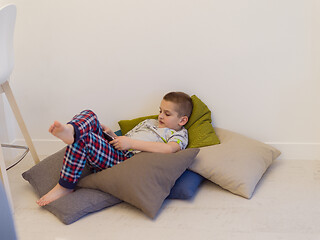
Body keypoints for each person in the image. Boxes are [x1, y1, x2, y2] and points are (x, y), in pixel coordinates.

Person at [36, 92, 193, 206]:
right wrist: (111, 134)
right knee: (89, 114)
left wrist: (130, 143)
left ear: (182, 120)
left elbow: (169, 149)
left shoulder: (178, 134)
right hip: (117, 147)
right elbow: (128, 136)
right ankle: (71, 131)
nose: (160, 116)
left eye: (167, 114)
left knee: (87, 139)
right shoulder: (150, 122)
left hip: (125, 159)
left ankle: (65, 186)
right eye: (160, 111)